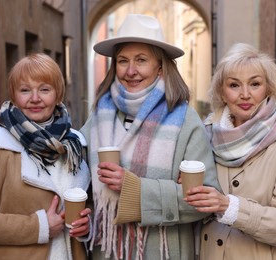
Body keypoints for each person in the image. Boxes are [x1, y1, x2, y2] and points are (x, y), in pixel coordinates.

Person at [80, 14, 220, 259]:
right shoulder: (99, 117)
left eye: (141, 60)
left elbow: (205, 200)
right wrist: (85, 218)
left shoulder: (185, 121)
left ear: (160, 66)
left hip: (162, 252)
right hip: (108, 251)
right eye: (123, 61)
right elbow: (82, 190)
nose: (131, 71)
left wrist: (135, 188)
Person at [184, 43, 276, 259]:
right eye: (234, 85)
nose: (245, 94)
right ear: (222, 92)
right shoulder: (203, 135)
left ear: (268, 89)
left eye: (254, 84)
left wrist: (228, 206)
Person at [0, 53, 92, 259]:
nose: (35, 98)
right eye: (25, 90)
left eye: (45, 89)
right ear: (14, 96)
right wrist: (39, 227)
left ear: (58, 94)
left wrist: (86, 227)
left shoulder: (75, 144)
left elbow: (87, 204)